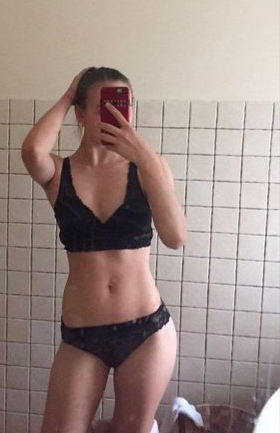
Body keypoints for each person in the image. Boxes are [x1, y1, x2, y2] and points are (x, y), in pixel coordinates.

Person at [21, 67, 188, 433]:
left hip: (146, 332)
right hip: (83, 336)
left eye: (123, 106)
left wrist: (145, 156)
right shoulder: (59, 173)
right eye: (103, 108)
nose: (115, 115)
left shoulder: (147, 169)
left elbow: (176, 236)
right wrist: (69, 95)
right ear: (80, 114)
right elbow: (33, 150)